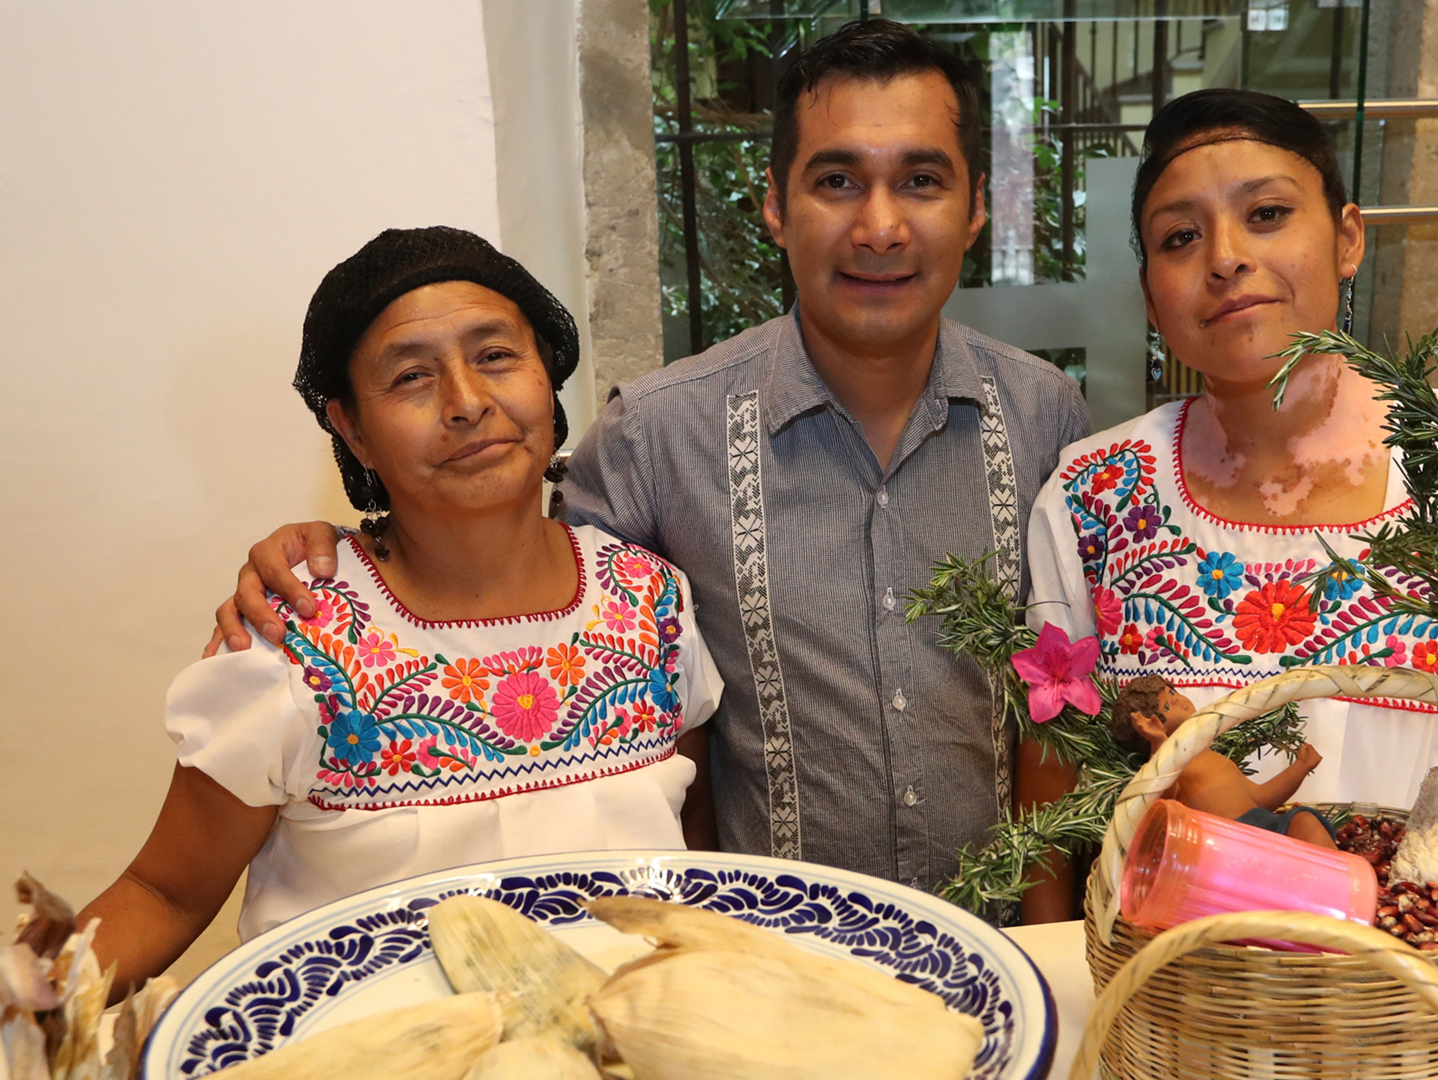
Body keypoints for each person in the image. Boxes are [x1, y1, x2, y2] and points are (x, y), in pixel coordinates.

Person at [206, 22, 1092, 903]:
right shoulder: (656, 437)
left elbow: (1073, 704)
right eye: (836, 181)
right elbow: (505, 577)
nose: (881, 225)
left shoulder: (1045, 415)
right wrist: (336, 558)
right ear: (776, 207)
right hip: (766, 974)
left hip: (1003, 953)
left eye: (922, 180)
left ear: (977, 206)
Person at [80, 228, 721, 992]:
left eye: (495, 356)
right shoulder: (296, 637)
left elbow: (692, 844)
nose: (467, 402)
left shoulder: (650, 602)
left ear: (546, 378)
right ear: (352, 428)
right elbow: (163, 893)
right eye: (413, 377)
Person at [1025, 89, 1438, 899]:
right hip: (1177, 1000)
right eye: (1181, 237)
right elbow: (1049, 789)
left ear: (1348, 238)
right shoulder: (1094, 497)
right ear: (1151, 296)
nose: (1226, 256)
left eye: (1268, 213)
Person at [1112, 675, 1333, 849]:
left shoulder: (1213, 758)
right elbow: (1164, 800)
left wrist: (1300, 767)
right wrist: (1159, 745)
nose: (1178, 699)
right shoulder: (1164, 766)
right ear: (1149, 729)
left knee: (1304, 821)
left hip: (1263, 827)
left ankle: (1348, 887)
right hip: (1225, 844)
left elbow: (1260, 799)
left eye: (1172, 692)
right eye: (1167, 707)